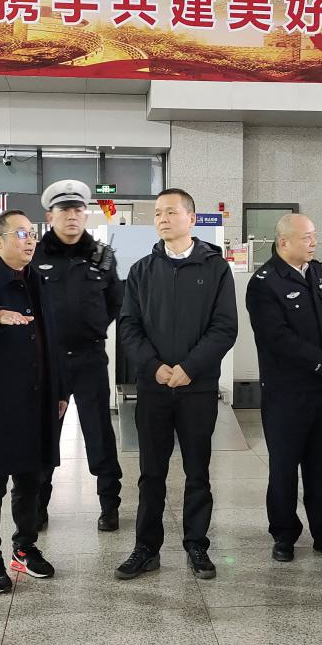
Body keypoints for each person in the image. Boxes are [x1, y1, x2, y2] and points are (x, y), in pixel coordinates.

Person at [115, 188, 238, 581]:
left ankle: (196, 545)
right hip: (153, 388)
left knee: (197, 470)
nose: (162, 219)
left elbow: (225, 327)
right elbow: (128, 326)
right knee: (151, 472)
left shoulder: (215, 268)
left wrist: (189, 367)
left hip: (197, 388)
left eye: (170, 212)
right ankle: (146, 548)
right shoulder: (142, 270)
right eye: (157, 213)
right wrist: (154, 367)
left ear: (191, 218)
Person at [0, 210, 68, 594]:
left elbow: (52, 339)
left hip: (37, 398)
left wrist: (60, 391)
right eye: (21, 233)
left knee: (31, 479)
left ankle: (25, 547)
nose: (30, 240)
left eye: (32, 233)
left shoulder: (39, 280)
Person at [245, 213, 322, 564]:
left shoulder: (318, 273)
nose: (313, 242)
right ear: (284, 242)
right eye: (306, 237)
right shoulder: (264, 283)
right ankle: (284, 535)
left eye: (314, 235)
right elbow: (276, 337)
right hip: (285, 393)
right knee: (284, 469)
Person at [32, 179, 124, 532]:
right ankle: (37, 506)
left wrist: (93, 326)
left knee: (99, 432)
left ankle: (109, 505)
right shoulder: (34, 255)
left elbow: (115, 302)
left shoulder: (102, 256)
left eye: (78, 210)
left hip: (89, 358)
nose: (72, 216)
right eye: (64, 210)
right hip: (47, 361)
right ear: (50, 216)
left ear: (86, 215)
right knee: (44, 433)